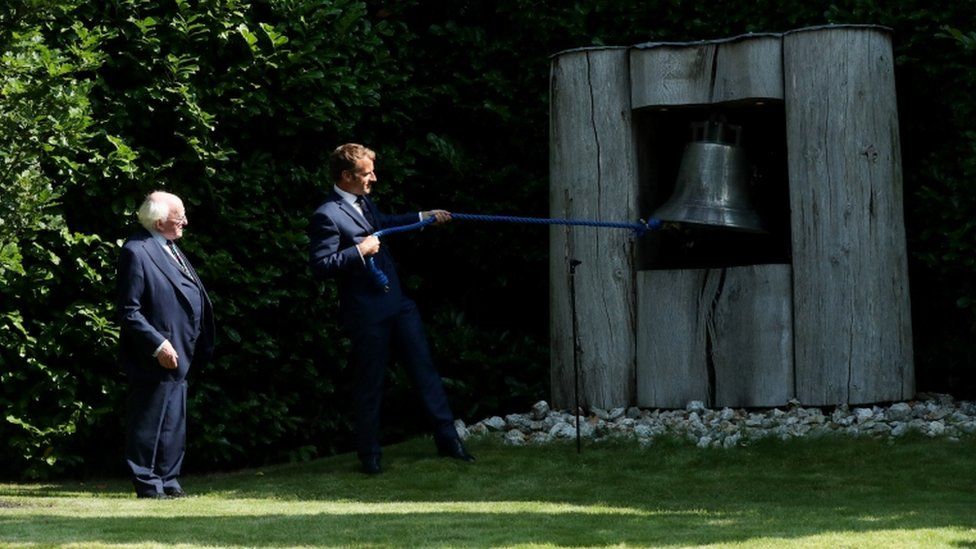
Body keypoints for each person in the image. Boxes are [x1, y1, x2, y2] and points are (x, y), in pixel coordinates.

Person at [308, 143, 474, 475]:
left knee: (424, 370)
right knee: (370, 383)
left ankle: (449, 441)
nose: (374, 178)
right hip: (366, 312)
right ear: (346, 176)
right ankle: (369, 456)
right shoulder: (326, 214)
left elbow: (385, 222)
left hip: (397, 303)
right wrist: (360, 250)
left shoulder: (364, 202)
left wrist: (423, 218)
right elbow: (321, 265)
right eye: (367, 173)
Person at [117, 191, 215, 498]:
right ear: (160, 223)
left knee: (174, 422)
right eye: (179, 216)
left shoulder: (170, 246)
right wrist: (158, 346)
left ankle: (169, 481)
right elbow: (129, 311)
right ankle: (148, 484)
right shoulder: (137, 251)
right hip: (156, 357)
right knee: (148, 422)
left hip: (182, 353)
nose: (185, 220)